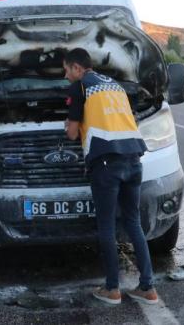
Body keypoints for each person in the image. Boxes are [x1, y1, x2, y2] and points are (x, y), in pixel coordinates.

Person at [62, 48, 160, 306]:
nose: (65, 75)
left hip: (106, 163)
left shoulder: (80, 87)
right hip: (133, 159)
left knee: (106, 226)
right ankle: (148, 288)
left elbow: (72, 133)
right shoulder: (114, 85)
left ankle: (112, 289)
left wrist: (68, 124)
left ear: (77, 68)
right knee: (133, 222)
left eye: (66, 70)